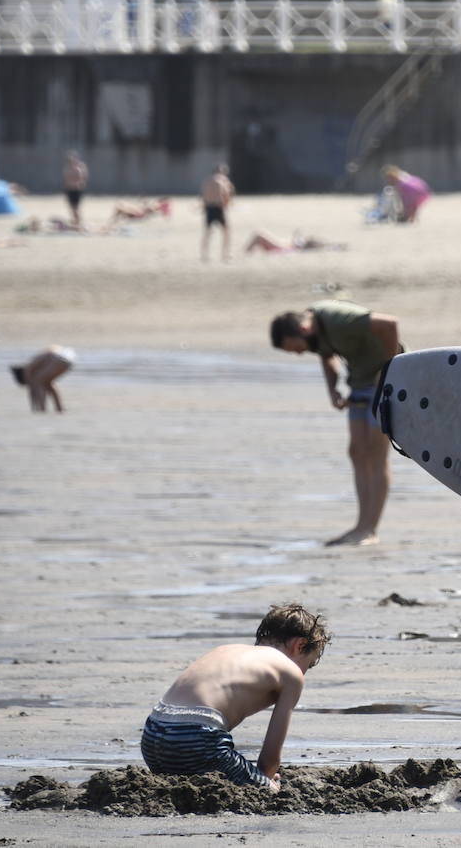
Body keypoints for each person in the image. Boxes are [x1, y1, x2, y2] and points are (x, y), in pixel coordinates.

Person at [141, 602, 330, 791]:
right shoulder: (291, 673)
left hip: (152, 735)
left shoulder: (226, 649)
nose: (304, 672)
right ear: (300, 645)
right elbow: (270, 758)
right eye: (309, 664)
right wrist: (264, 779)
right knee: (268, 790)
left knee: (189, 773)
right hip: (196, 736)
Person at [270, 302, 402, 547]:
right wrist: (332, 389)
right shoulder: (314, 335)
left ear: (303, 329)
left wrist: (391, 369)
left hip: (384, 385)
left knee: (376, 454)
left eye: (295, 348)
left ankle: (371, 529)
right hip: (359, 385)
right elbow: (327, 355)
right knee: (357, 453)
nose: (299, 353)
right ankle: (361, 526)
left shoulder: (337, 318)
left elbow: (390, 324)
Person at [10, 346, 76, 413]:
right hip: (70, 357)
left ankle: (42, 409)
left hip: (60, 357)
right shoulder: (37, 365)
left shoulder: (27, 368)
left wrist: (33, 407)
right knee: (47, 384)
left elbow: (32, 389)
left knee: (39, 381)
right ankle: (59, 408)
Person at [201, 164, 235, 262]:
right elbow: (226, 194)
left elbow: (203, 196)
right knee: (226, 231)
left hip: (209, 208)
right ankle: (225, 255)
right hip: (218, 208)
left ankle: (204, 255)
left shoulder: (207, 181)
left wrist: (204, 207)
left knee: (207, 232)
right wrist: (226, 204)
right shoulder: (223, 180)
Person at [62, 151, 89, 229]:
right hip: (69, 190)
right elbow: (66, 180)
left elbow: (83, 178)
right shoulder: (67, 168)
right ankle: (75, 222)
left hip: (77, 190)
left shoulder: (80, 167)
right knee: (71, 207)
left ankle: (78, 222)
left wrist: (79, 184)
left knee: (76, 207)